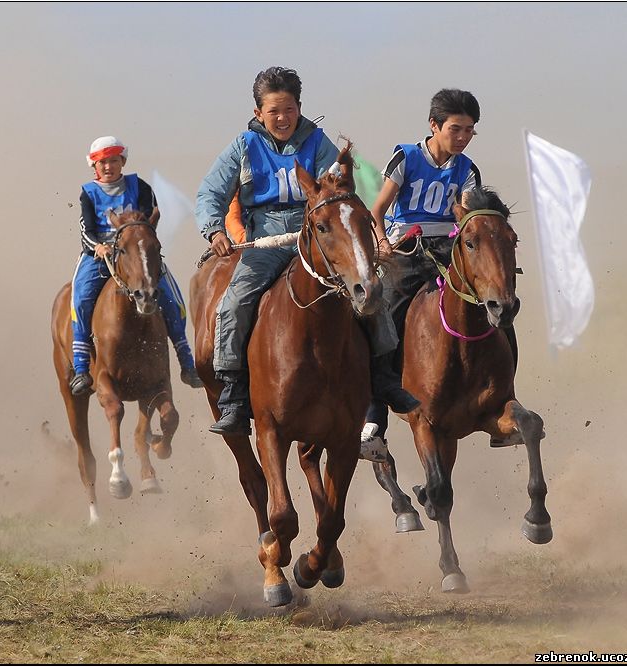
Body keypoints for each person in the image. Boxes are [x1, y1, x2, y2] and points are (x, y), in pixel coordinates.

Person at [195, 66, 419, 437]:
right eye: (273, 111)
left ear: (299, 108)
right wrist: (214, 229)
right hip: (264, 237)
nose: (282, 118)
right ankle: (234, 394)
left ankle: (384, 379)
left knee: (367, 284)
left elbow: (336, 185)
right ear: (258, 114)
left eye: (289, 109)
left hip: (317, 234)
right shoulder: (243, 146)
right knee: (235, 301)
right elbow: (210, 193)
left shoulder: (317, 140)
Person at [361, 88, 484, 456]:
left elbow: (467, 216)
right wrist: (381, 242)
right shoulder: (407, 157)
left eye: (469, 131)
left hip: (447, 251)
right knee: (383, 314)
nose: (462, 137)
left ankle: (498, 390)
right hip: (405, 250)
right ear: (434, 125)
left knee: (490, 306)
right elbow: (377, 209)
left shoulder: (467, 170)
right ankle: (374, 418)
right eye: (456, 129)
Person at [69, 135, 203, 396]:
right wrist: (98, 246)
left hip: (136, 254)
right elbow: (85, 229)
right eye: (103, 162)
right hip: (100, 255)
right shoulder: (88, 193)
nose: (109, 167)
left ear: (123, 161)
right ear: (94, 165)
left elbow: (150, 222)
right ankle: (81, 368)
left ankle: (187, 362)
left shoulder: (139, 187)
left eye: (114, 161)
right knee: (81, 297)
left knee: (171, 296)